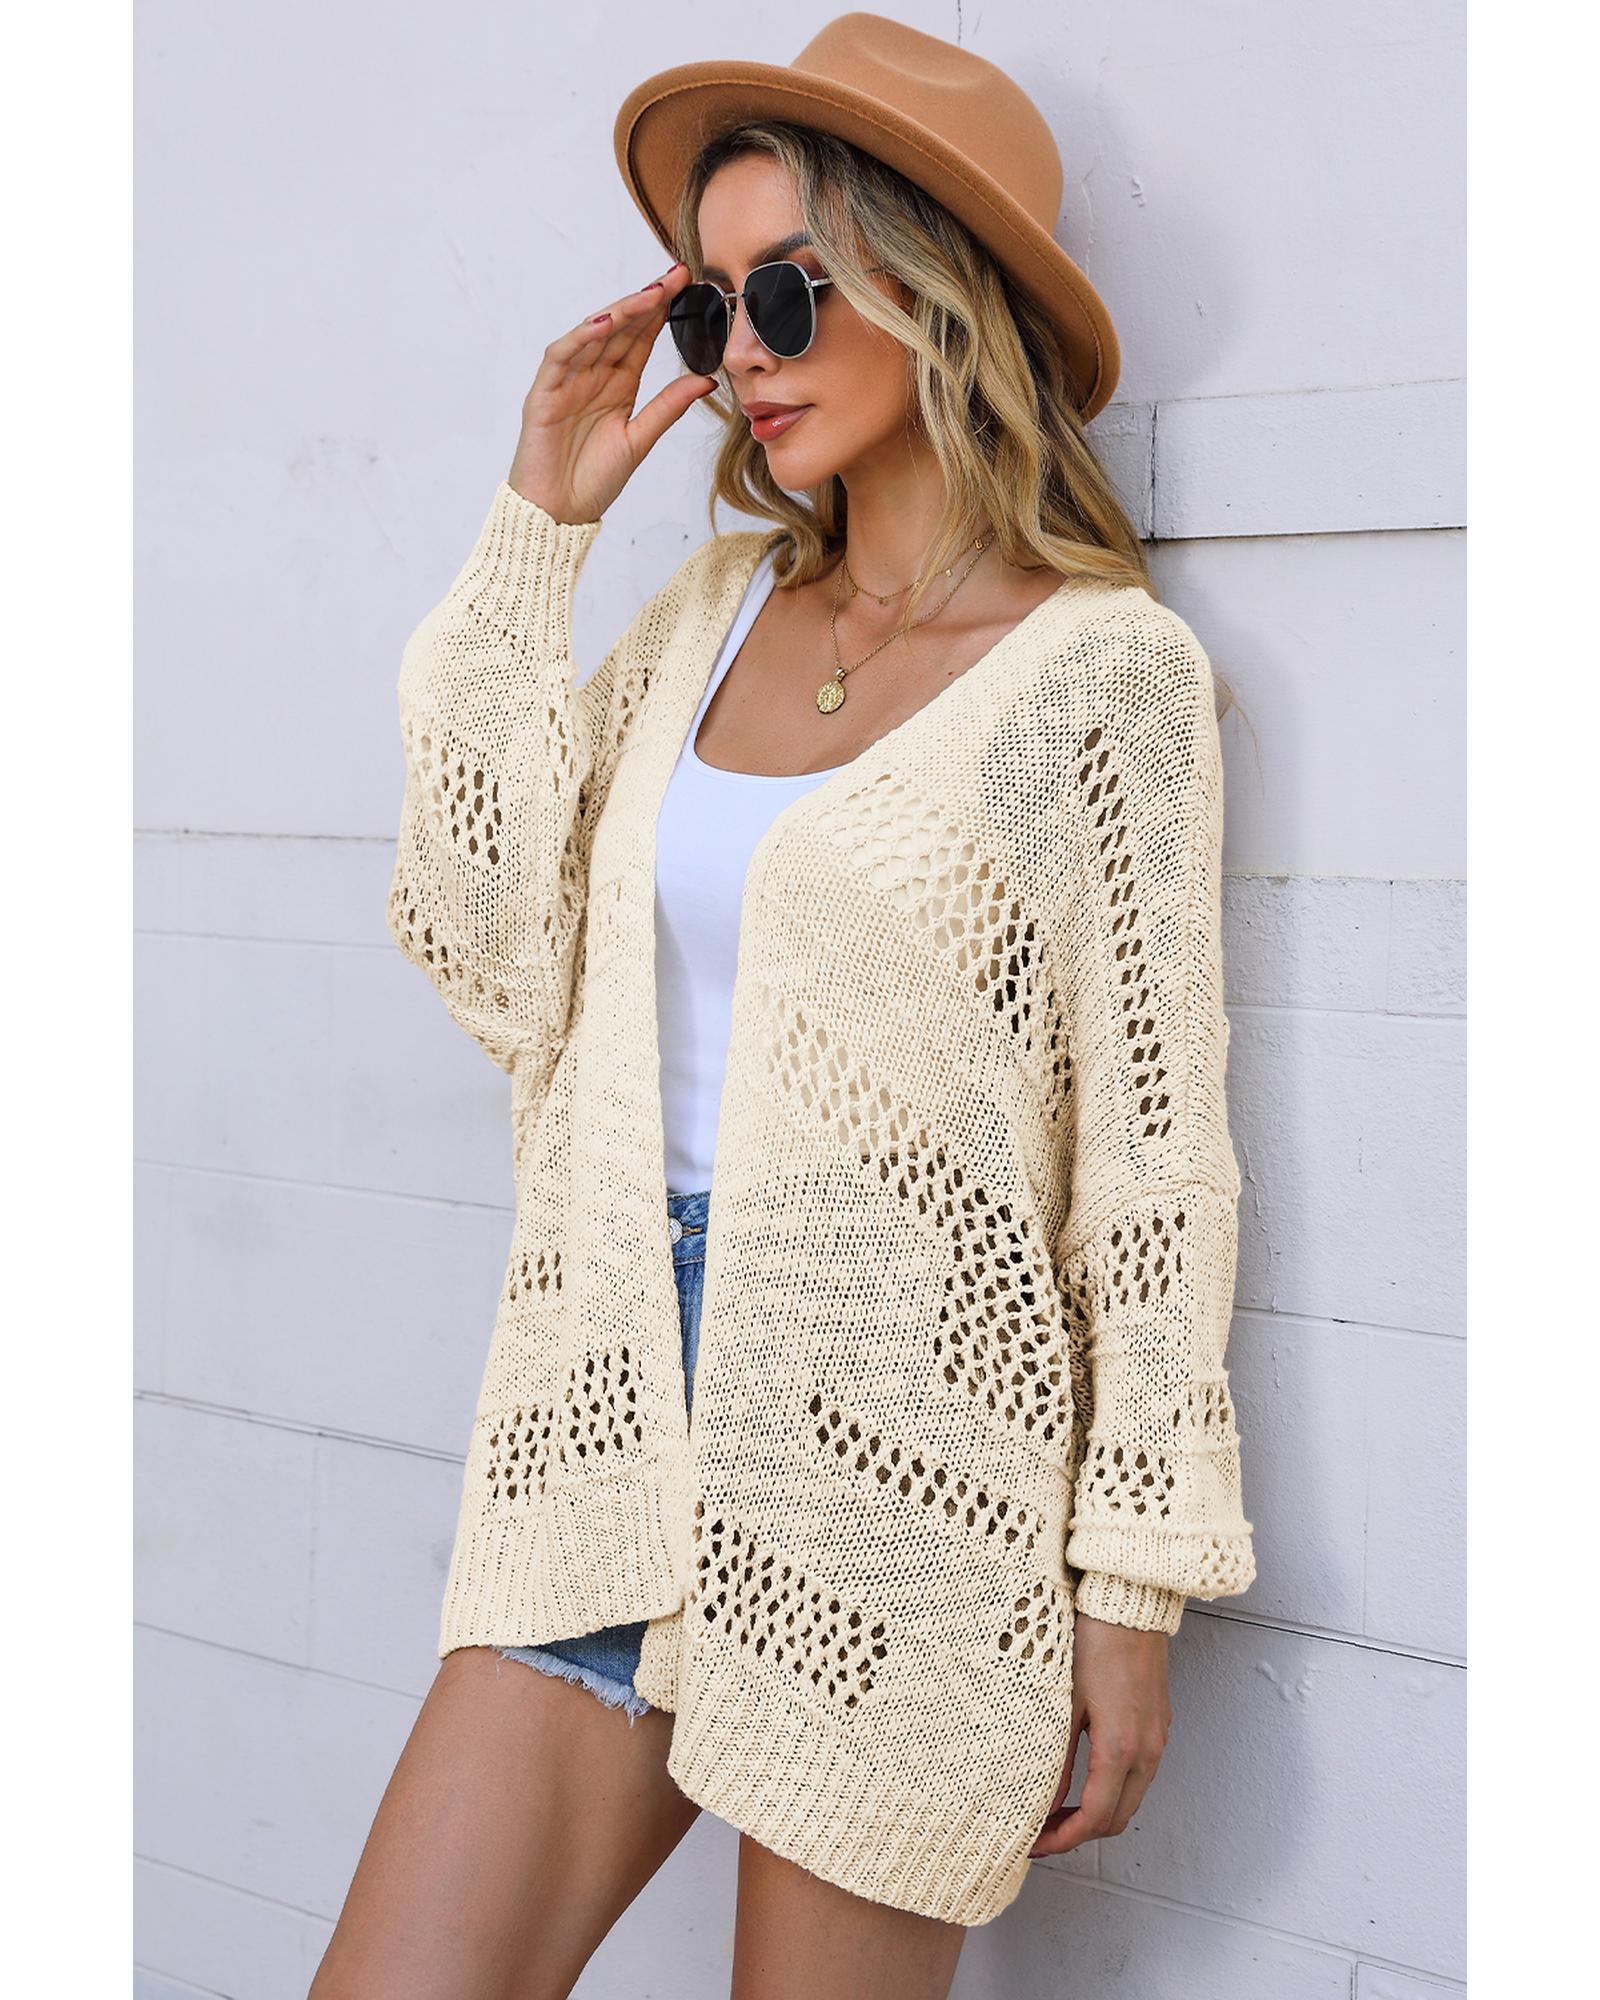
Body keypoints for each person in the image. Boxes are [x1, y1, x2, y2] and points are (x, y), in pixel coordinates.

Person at [312, 15, 1255, 1998]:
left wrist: (1134, 1582)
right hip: (602, 1421)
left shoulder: (1106, 676)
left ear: (937, 292)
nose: (739, 350)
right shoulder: (707, 616)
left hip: (902, 1467)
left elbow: (1151, 1165)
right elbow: (485, 944)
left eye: (785, 291)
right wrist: (539, 526)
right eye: (705, 305)